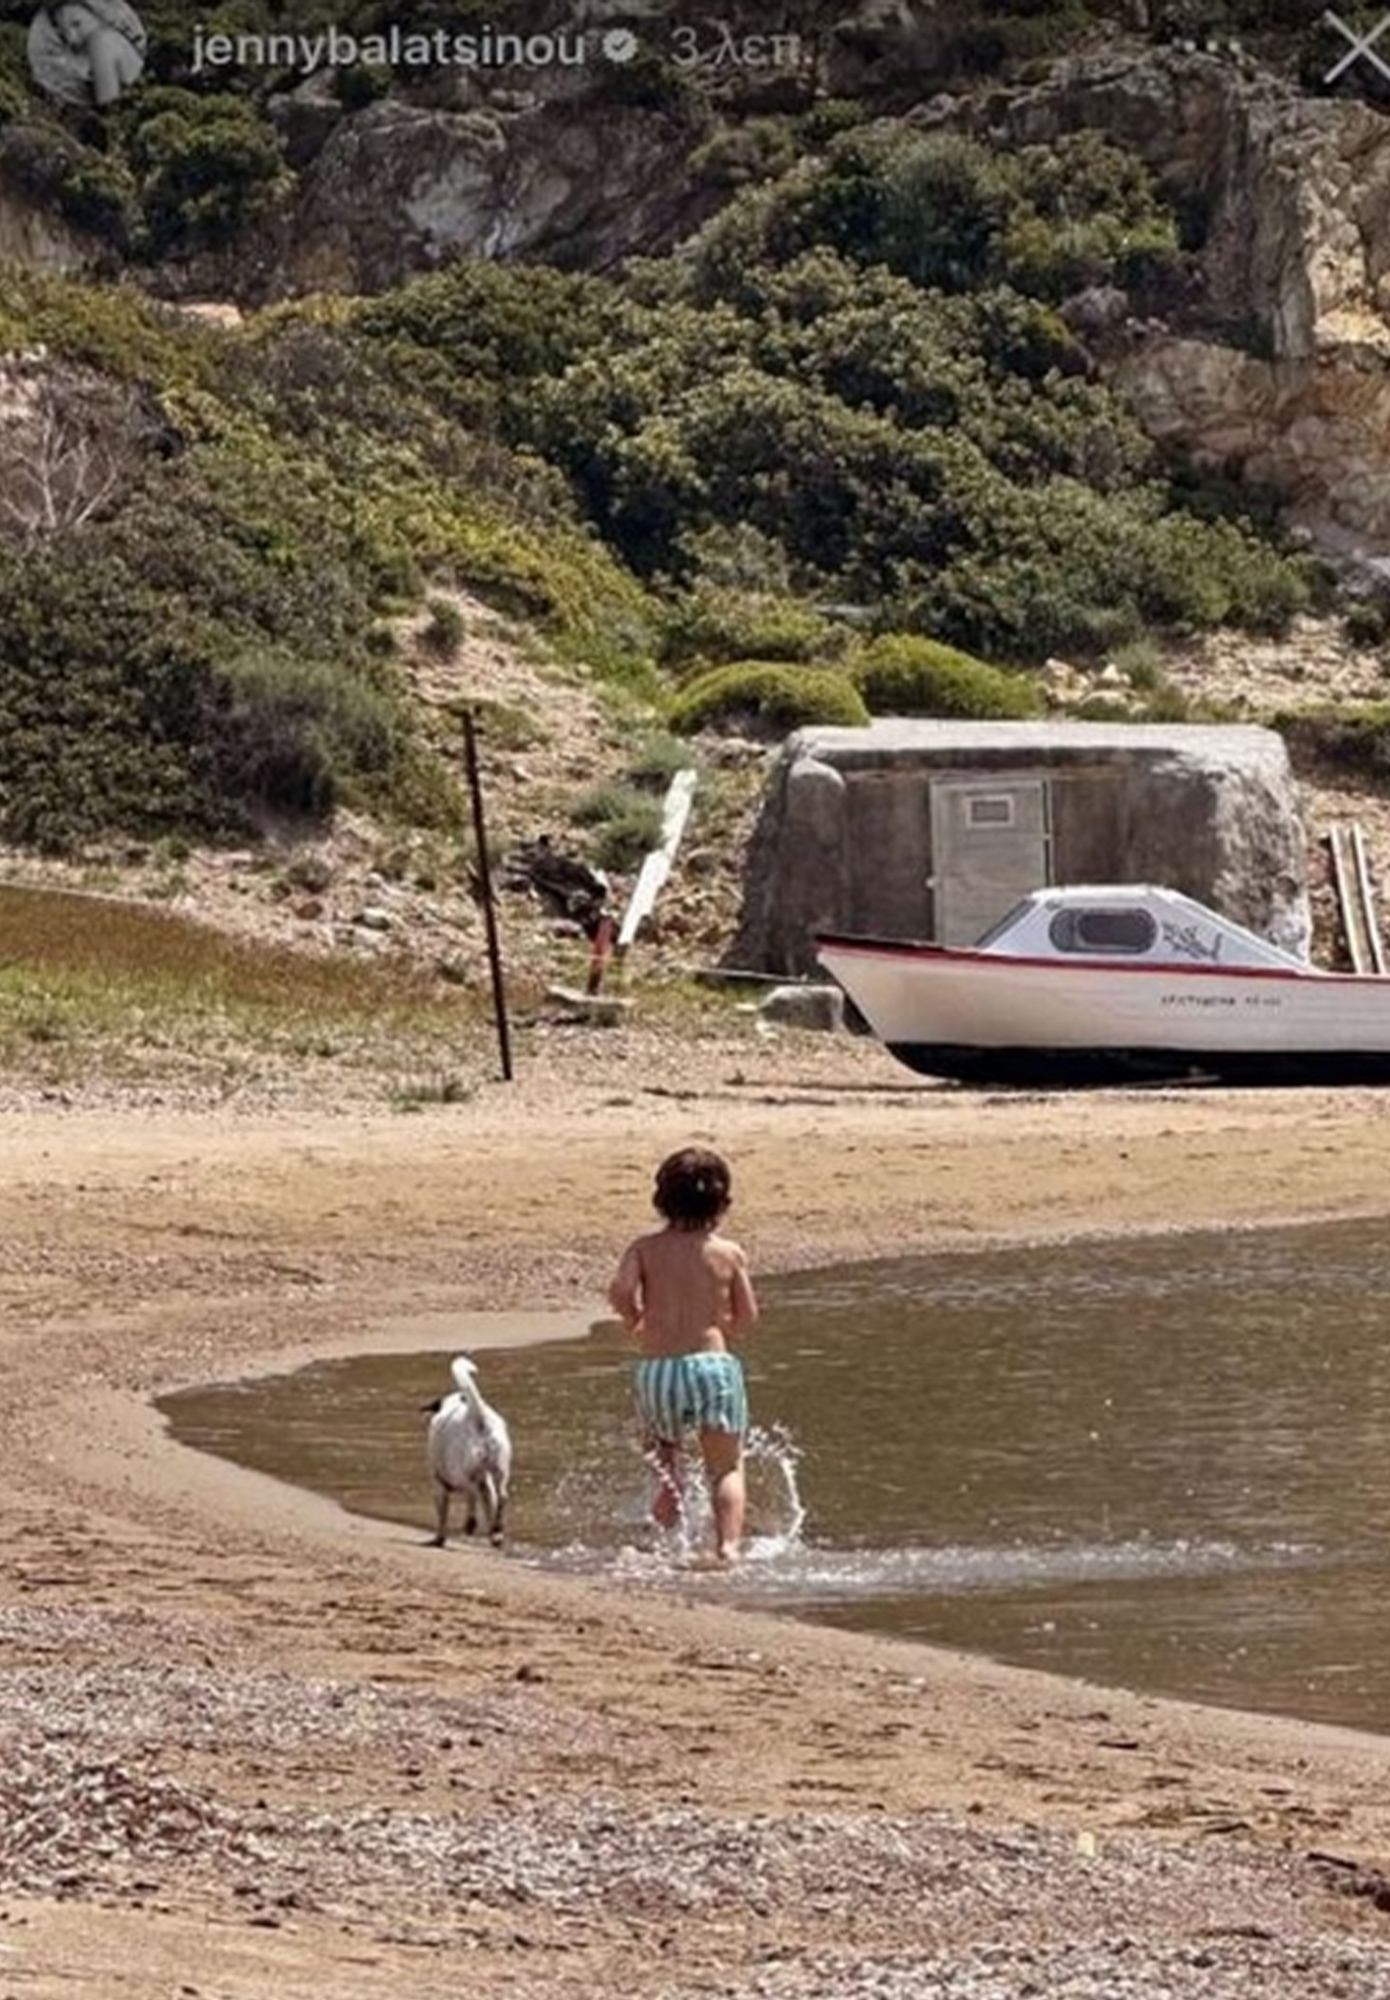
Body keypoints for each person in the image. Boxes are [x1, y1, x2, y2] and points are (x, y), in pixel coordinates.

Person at [607, 1145, 759, 1564]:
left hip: (659, 1370)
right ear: (722, 1202)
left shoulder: (644, 1249)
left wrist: (634, 1317)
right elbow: (747, 1316)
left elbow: (619, 1291)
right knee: (726, 1468)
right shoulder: (729, 1253)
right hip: (712, 1366)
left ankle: (664, 1546)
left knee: (667, 1465)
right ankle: (727, 1547)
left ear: (661, 1199)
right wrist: (720, 1325)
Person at [29, 1, 146, 109]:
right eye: (65, 33)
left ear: (98, 15)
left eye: (76, 24)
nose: (72, 39)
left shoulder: (102, 41)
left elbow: (109, 103)